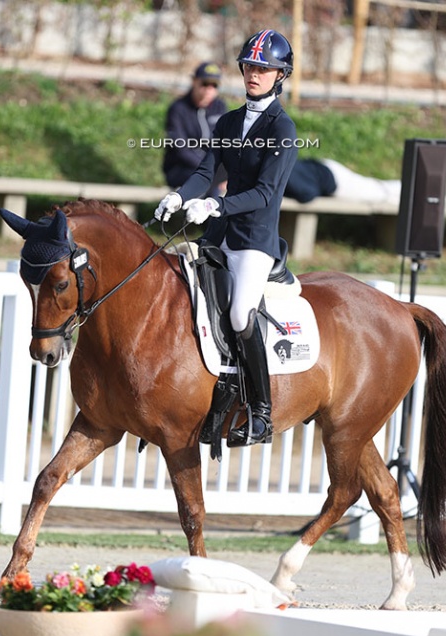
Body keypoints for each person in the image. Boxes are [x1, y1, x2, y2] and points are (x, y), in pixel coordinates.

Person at [155, 29, 298, 447]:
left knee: (239, 317)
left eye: (264, 69)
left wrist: (217, 205)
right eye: (250, 66)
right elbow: (206, 173)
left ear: (280, 75)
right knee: (183, 296)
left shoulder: (282, 128)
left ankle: (261, 414)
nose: (254, 74)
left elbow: (266, 194)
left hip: (254, 239)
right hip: (220, 235)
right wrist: (179, 196)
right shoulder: (229, 121)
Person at [162, 62, 228, 198]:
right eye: (204, 83)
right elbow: (181, 149)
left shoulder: (220, 107)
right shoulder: (178, 109)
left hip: (210, 169)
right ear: (194, 82)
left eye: (214, 85)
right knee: (206, 185)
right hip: (181, 168)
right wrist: (207, 168)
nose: (209, 89)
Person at [284, 157, 402, 204]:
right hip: (325, 168)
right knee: (374, 187)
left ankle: (410, 189)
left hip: (337, 180)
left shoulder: (285, 176)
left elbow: (307, 194)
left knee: (380, 193)